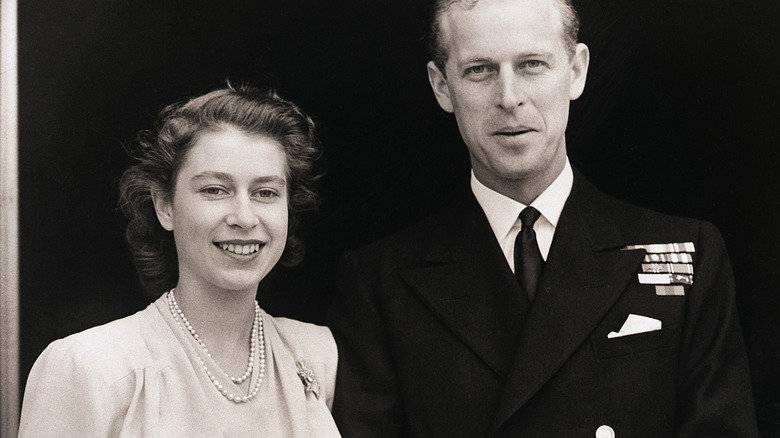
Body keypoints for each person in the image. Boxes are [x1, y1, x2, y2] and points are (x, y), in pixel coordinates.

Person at [328, 0, 758, 436]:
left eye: (532, 64)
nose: (509, 97)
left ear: (576, 71)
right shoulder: (379, 283)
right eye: (480, 69)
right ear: (442, 86)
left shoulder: (690, 252)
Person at [19, 85, 341, 437]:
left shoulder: (313, 353)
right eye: (214, 190)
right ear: (164, 206)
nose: (245, 218)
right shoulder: (90, 367)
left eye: (265, 193)